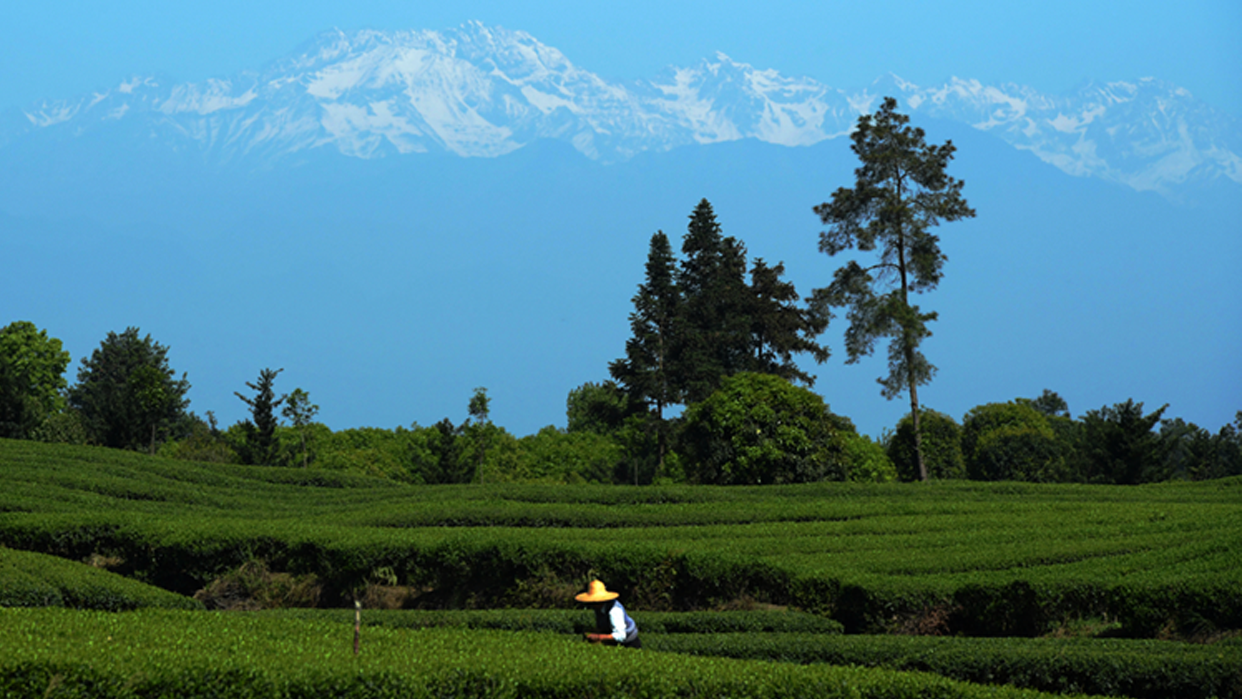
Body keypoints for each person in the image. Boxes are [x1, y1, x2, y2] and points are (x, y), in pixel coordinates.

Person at [575, 579, 641, 648]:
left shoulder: (614, 611)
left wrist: (598, 637)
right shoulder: (599, 608)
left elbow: (621, 636)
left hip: (629, 644)